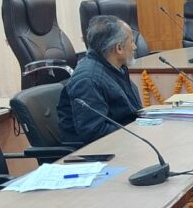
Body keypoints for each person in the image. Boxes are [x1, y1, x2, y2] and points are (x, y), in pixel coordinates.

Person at [58, 16, 143, 146]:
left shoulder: (117, 69)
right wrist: (137, 131)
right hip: (102, 151)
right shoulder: (88, 79)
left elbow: (131, 113)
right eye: (131, 42)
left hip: (125, 141)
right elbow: (95, 131)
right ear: (119, 48)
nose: (135, 47)